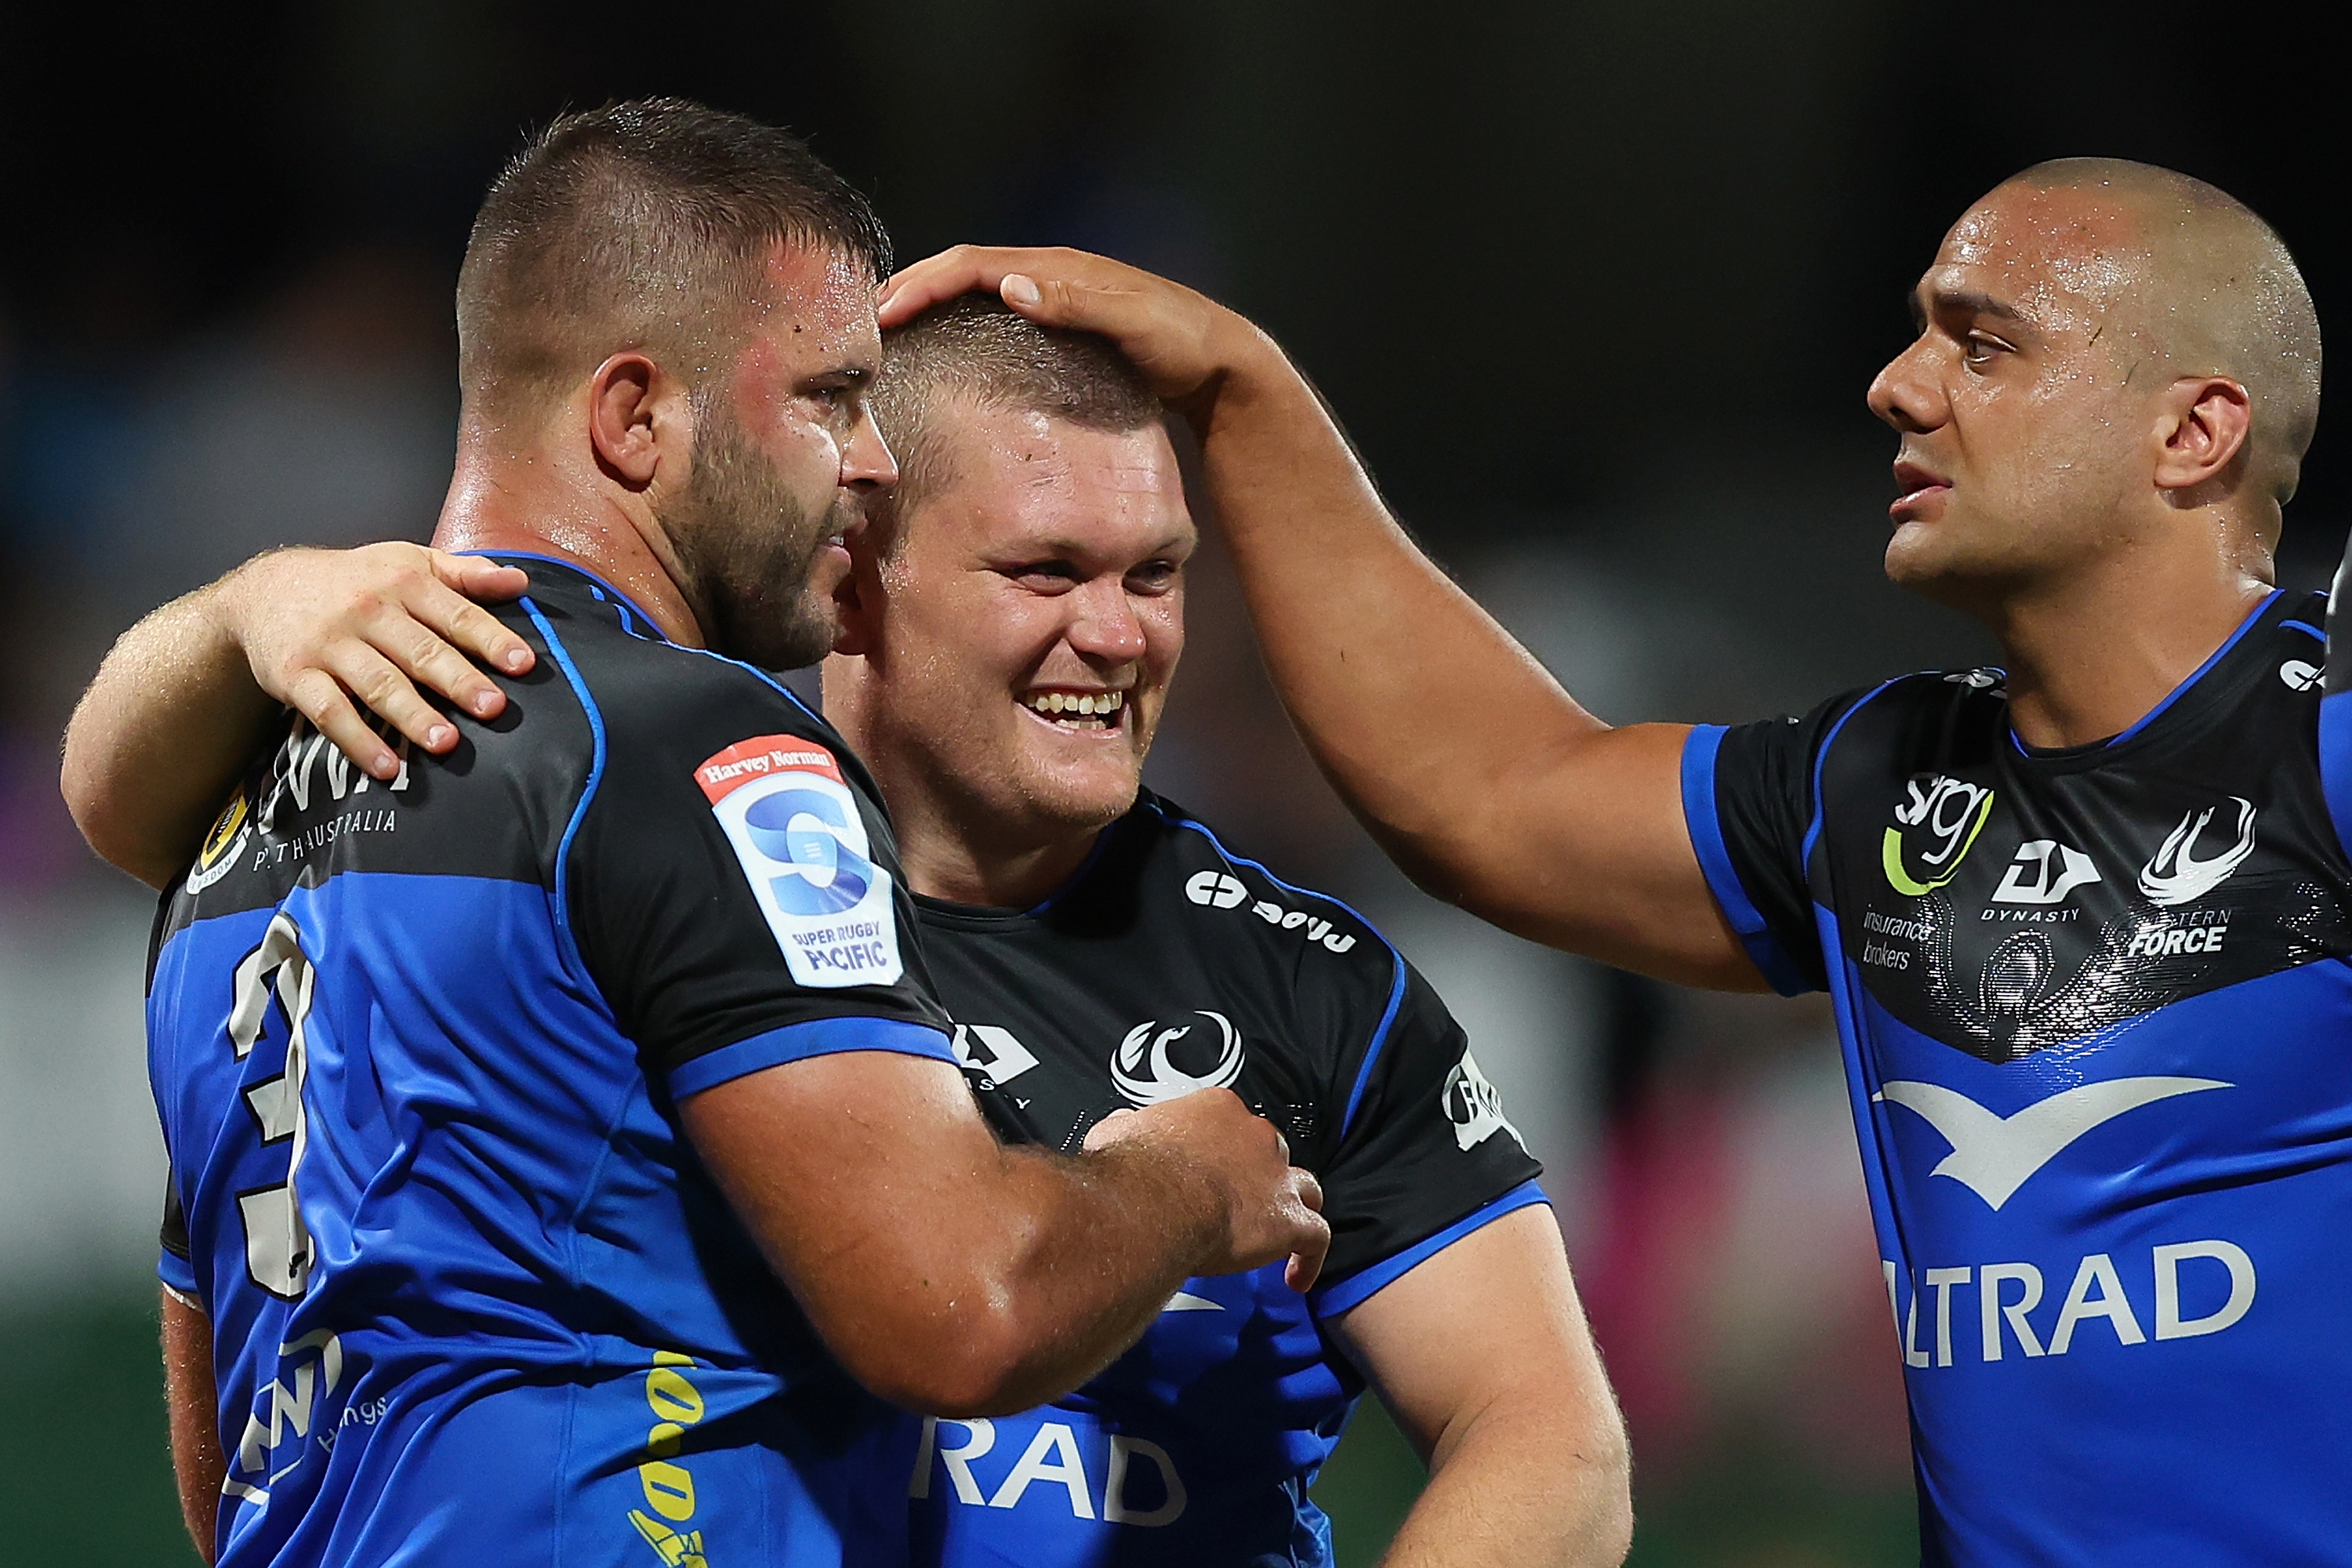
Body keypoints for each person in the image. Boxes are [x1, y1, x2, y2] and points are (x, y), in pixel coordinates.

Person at [869, 160, 2345, 1560]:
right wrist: (1241, 388)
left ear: (2193, 432)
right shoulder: (1880, 790)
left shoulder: (2327, 759)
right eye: (1918, 339)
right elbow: (1491, 793)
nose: (1899, 387)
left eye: (1987, 345)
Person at [64, 290, 1635, 1561]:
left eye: (1158, 573)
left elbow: (1552, 1442)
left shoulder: (1306, 980)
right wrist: (256, 601)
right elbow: (264, 1431)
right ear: (854, 575)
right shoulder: (647, 870)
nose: (1120, 632)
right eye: (1046, 570)